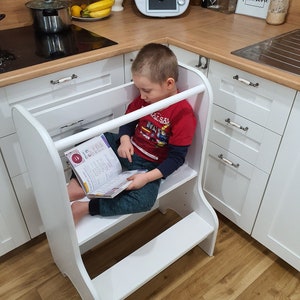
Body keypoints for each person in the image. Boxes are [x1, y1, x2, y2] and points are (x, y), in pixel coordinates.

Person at [68, 43, 197, 225]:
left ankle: (84, 207)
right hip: (128, 149)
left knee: (144, 201)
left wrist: (146, 178)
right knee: (82, 136)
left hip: (149, 167)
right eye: (139, 89)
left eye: (146, 90)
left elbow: (176, 158)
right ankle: (79, 185)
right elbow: (128, 121)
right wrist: (125, 139)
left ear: (169, 84)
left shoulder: (182, 113)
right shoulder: (145, 100)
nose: (142, 96)